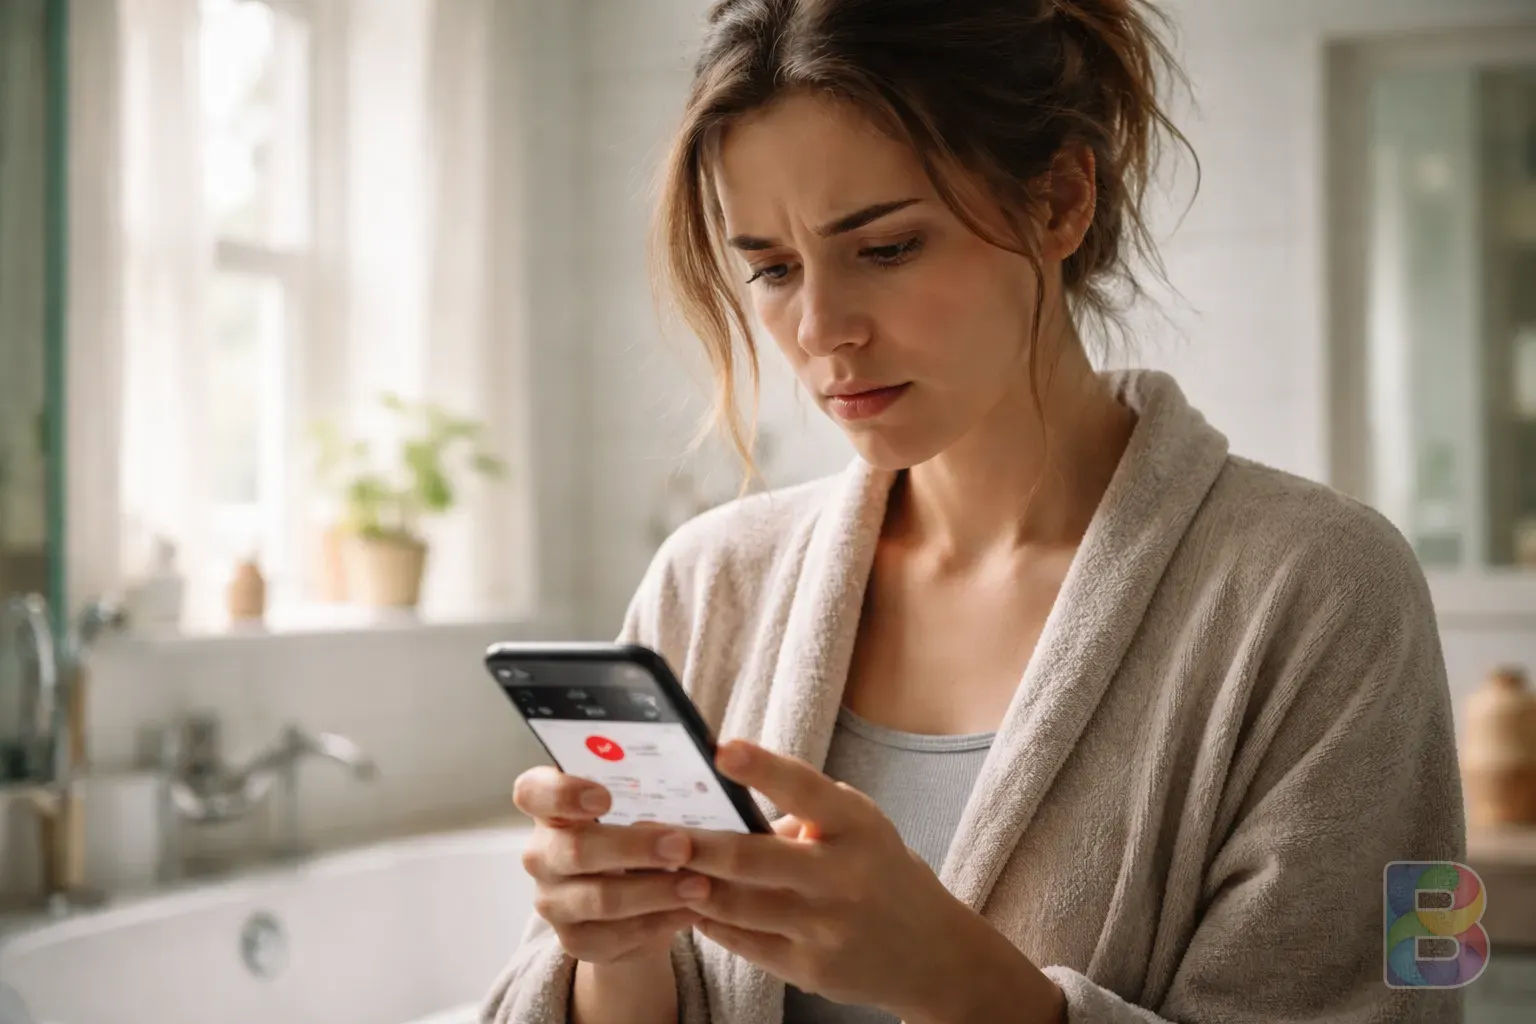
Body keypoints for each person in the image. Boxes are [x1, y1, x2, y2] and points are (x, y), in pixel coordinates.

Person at [486, 1, 1465, 1022]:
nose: (821, 329)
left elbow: (1411, 999)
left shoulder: (1328, 590)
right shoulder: (709, 581)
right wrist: (613, 953)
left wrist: (957, 980)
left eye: (890, 247)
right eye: (773, 269)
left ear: (1059, 200)